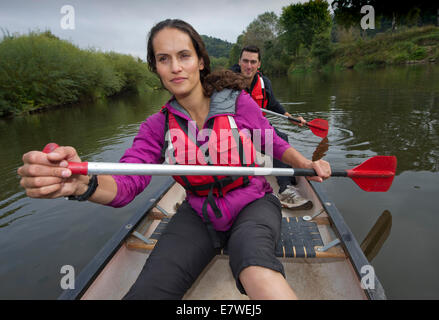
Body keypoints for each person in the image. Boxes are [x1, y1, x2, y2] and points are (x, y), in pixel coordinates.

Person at [17, 19, 331, 300]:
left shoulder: (239, 103)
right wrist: (81, 184)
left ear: (200, 62)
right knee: (147, 290)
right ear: (156, 69)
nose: (176, 67)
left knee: (256, 270)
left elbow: (273, 142)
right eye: (163, 59)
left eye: (183, 56)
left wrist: (307, 163)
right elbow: (126, 183)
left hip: (253, 203)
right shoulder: (157, 126)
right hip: (199, 211)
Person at [230, 45, 312, 210]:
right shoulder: (228, 81)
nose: (248, 66)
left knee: (281, 137)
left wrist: (290, 118)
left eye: (253, 62)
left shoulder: (264, 83)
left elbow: (273, 105)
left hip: (258, 129)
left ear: (259, 64)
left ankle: (285, 188)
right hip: (233, 131)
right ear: (239, 62)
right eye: (245, 61)